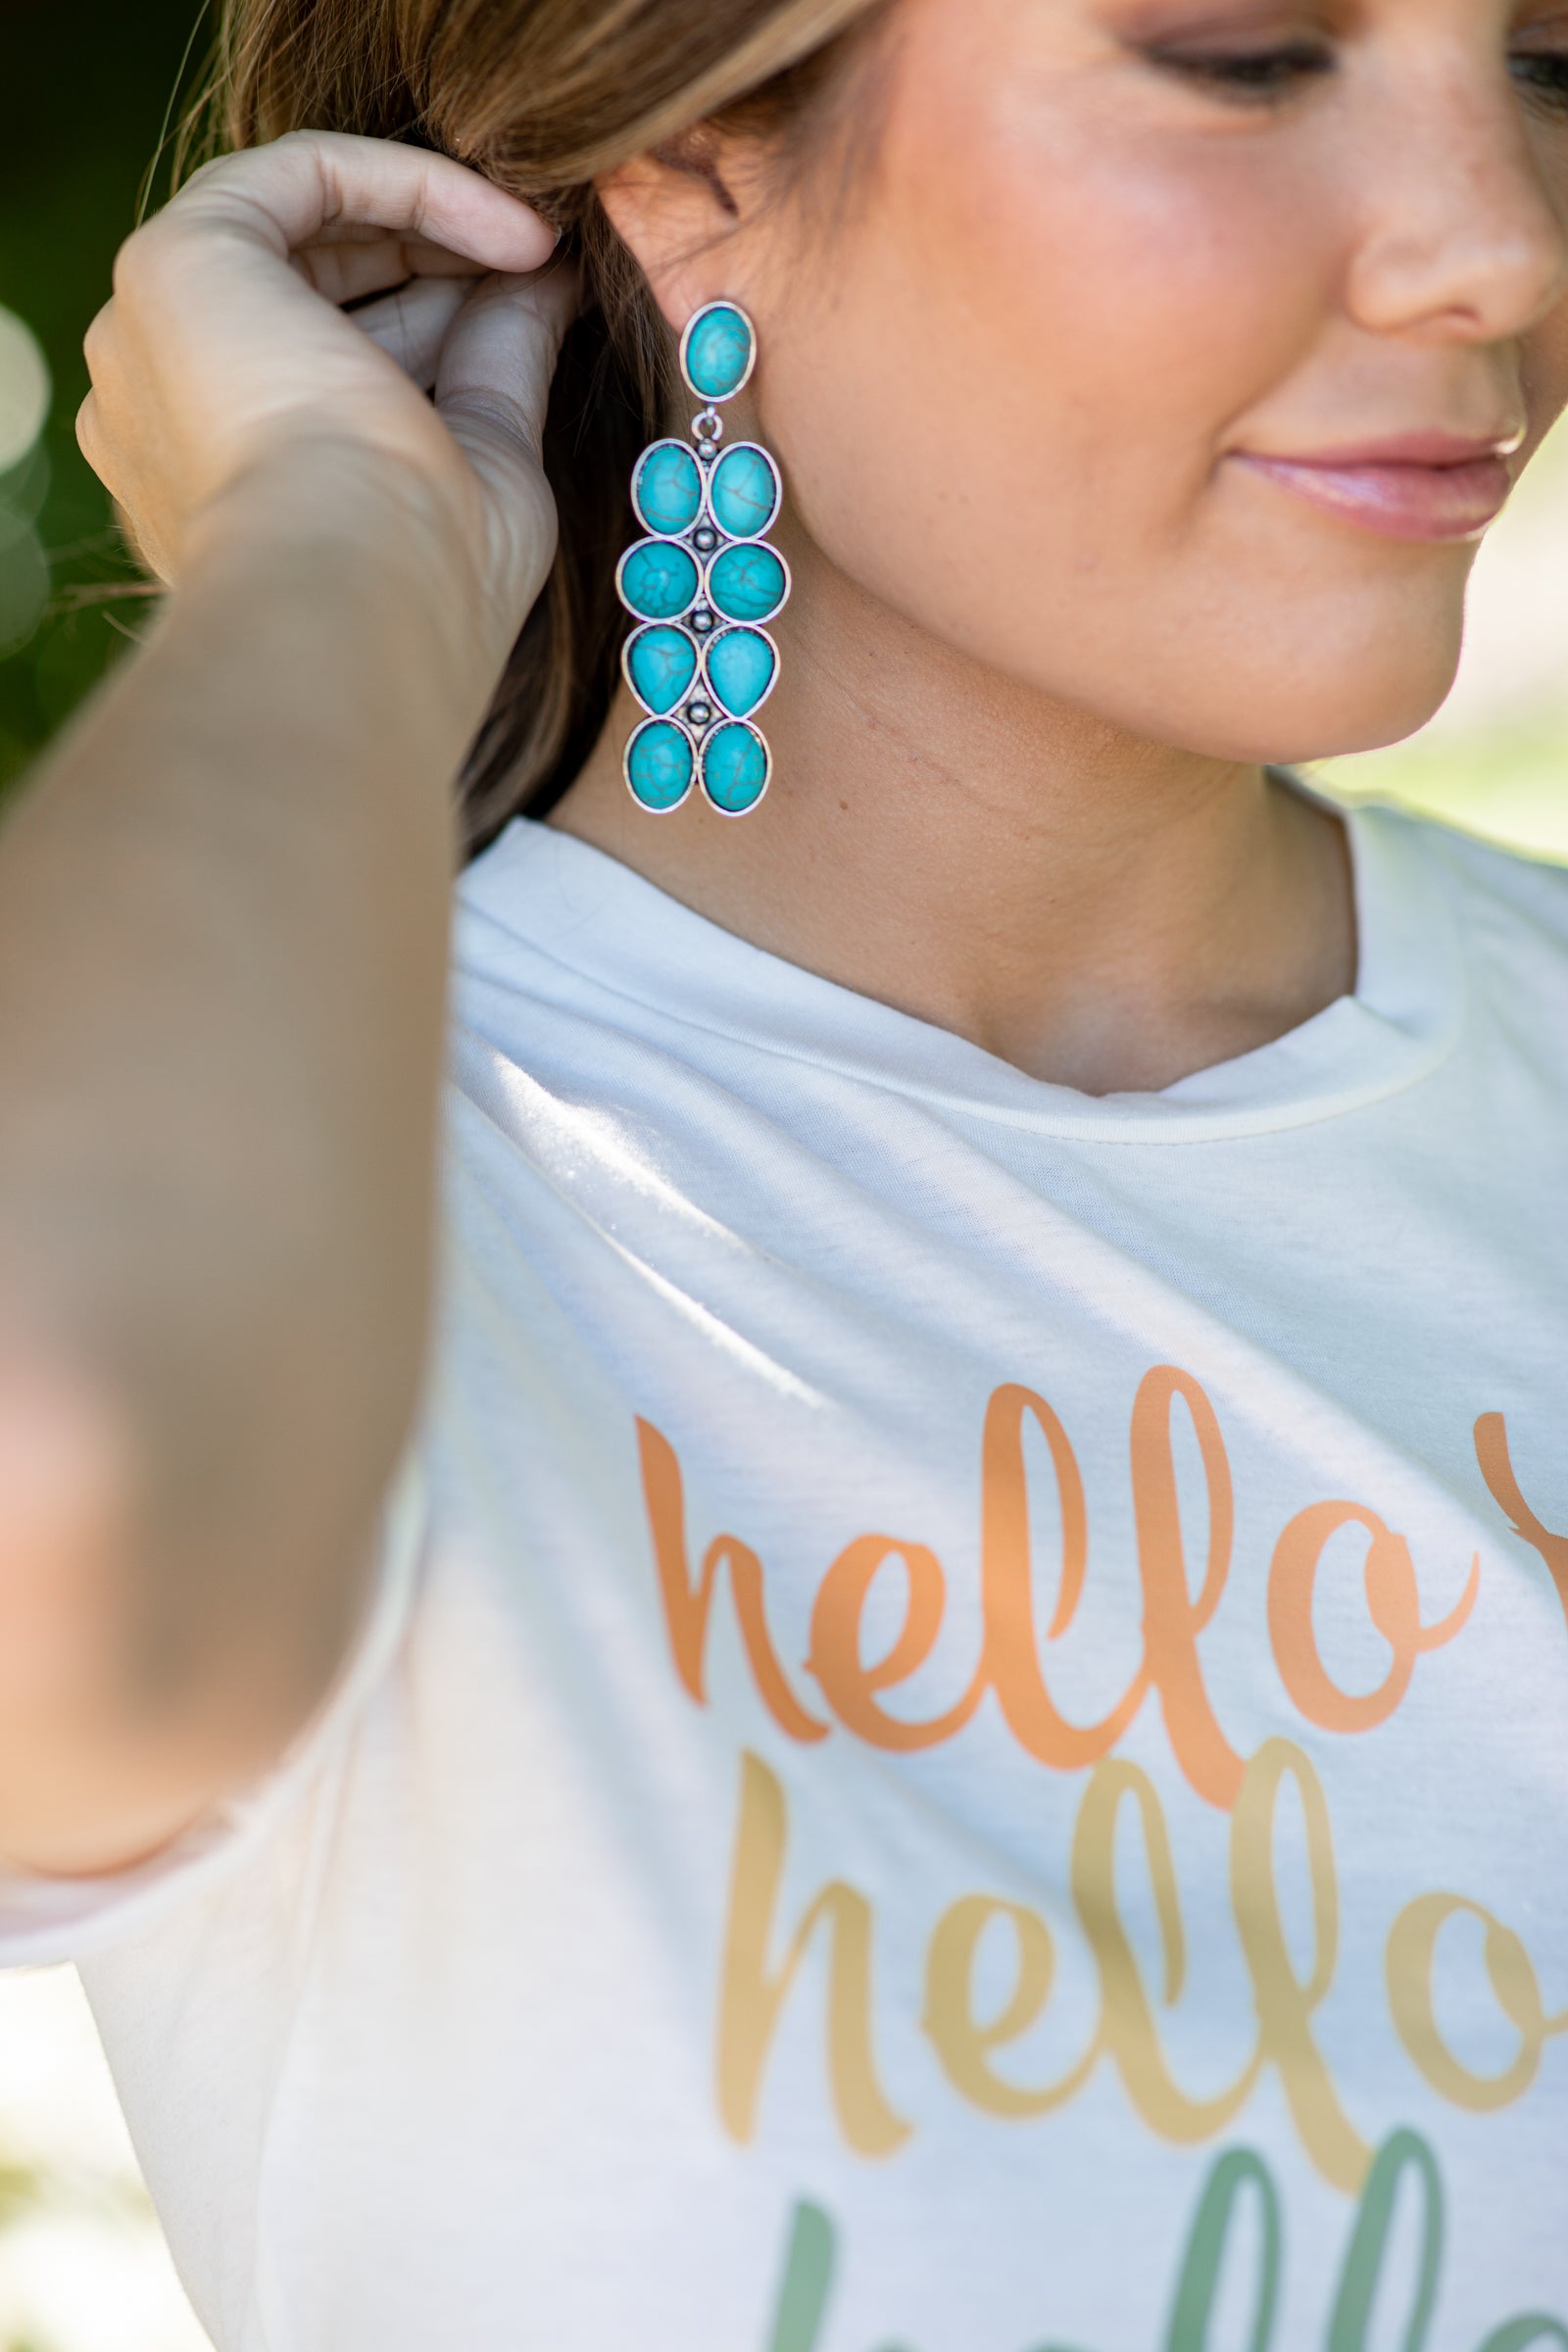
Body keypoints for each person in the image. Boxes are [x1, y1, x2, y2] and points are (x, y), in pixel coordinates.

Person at [0, 0, 1566, 2338]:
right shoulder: (314, 1153)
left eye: (1553, 60)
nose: (1495, 249)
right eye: (1243, 54)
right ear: (690, 148)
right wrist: (327, 550)